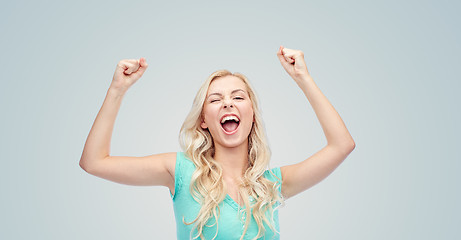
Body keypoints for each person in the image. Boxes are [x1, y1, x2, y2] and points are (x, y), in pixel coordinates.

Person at [79, 46, 355, 240]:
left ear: (252, 115)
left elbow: (342, 145)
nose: (227, 103)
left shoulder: (272, 185)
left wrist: (303, 78)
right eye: (215, 100)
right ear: (203, 121)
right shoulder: (180, 171)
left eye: (237, 97)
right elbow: (94, 162)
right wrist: (117, 90)